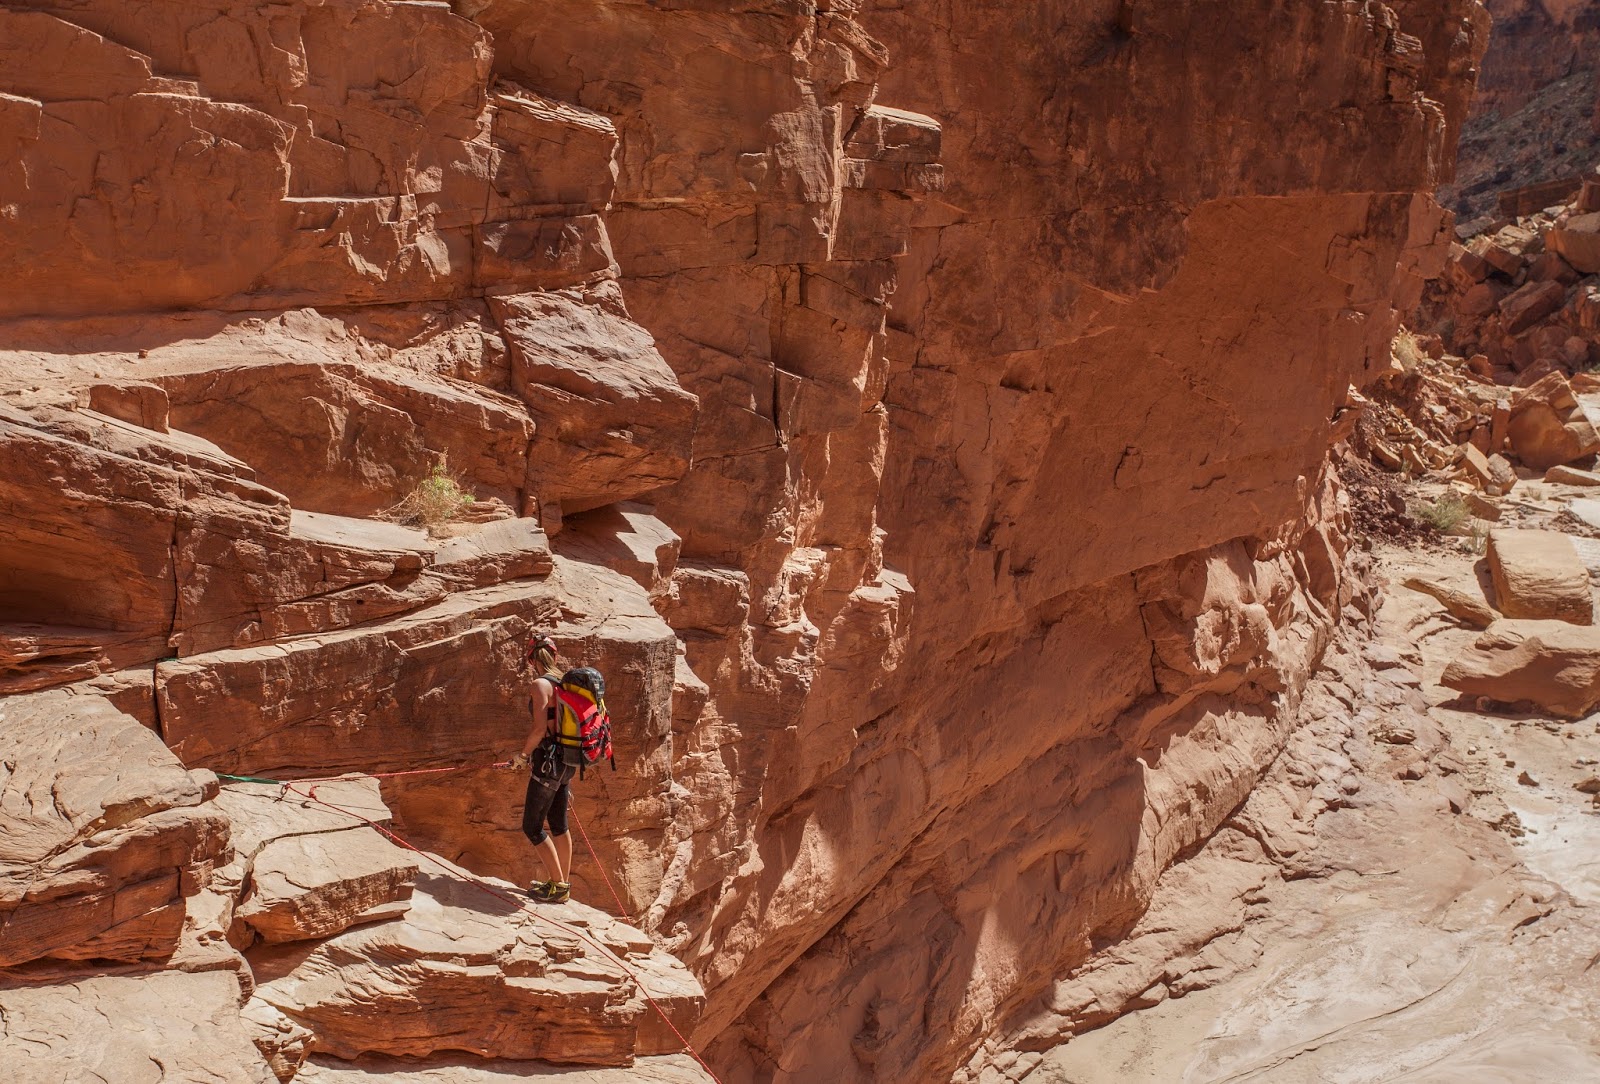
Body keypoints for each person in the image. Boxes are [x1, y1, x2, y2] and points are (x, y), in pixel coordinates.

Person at [503, 633, 576, 903]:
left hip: (548, 761)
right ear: (554, 656)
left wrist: (522, 756)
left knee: (532, 827)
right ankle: (562, 884)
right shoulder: (567, 684)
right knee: (559, 825)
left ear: (532, 659)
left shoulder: (540, 684)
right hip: (568, 761)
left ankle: (558, 886)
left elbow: (539, 729)